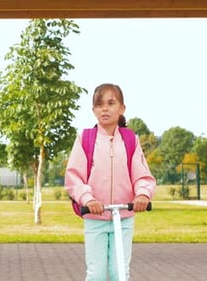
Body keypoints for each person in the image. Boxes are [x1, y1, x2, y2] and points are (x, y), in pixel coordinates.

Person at [64, 83, 156, 281]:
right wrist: (88, 199)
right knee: (95, 274)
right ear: (93, 110)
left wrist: (142, 194)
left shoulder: (131, 139)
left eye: (111, 103)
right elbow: (74, 177)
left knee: (120, 273)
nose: (104, 108)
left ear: (122, 108)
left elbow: (141, 174)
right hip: (95, 217)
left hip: (123, 217)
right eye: (99, 104)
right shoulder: (85, 139)